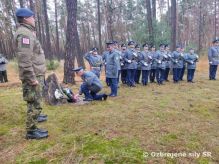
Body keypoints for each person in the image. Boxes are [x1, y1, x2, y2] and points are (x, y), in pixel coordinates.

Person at [15, 8, 48, 139]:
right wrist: (31, 78)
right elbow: (24, 59)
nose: (34, 19)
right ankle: (31, 131)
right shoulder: (25, 34)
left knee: (36, 100)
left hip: (36, 72)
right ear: (25, 18)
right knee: (34, 102)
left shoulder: (28, 32)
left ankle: (35, 121)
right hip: (33, 74)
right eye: (32, 17)